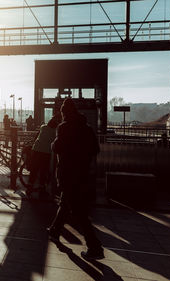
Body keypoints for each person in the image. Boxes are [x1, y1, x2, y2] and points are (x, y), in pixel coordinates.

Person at [47, 98, 104, 260]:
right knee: (66, 203)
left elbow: (56, 147)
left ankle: (95, 247)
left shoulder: (64, 128)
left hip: (68, 173)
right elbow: (95, 149)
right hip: (82, 173)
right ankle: (54, 231)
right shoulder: (87, 128)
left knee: (78, 211)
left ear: (64, 112)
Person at [23, 116, 58, 198]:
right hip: (46, 153)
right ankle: (42, 190)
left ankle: (29, 188)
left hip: (36, 150)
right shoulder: (55, 131)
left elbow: (38, 136)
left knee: (34, 170)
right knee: (43, 171)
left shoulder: (43, 127)